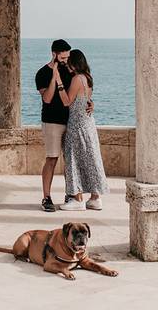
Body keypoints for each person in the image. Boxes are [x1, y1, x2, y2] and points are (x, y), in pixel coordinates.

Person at [35, 39, 92, 212]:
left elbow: (77, 93)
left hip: (71, 122)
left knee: (72, 161)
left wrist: (90, 102)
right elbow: (47, 98)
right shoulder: (42, 73)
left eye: (68, 57)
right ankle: (46, 197)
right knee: (52, 159)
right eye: (63, 57)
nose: (66, 61)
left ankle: (71, 194)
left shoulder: (70, 71)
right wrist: (54, 77)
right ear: (54, 54)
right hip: (52, 121)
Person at [57, 49, 108, 211]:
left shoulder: (77, 79)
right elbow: (86, 100)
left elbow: (66, 101)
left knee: (73, 159)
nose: (67, 65)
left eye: (69, 62)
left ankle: (77, 198)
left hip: (77, 124)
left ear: (75, 62)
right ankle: (95, 198)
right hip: (88, 124)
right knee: (90, 159)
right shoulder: (88, 78)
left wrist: (58, 82)